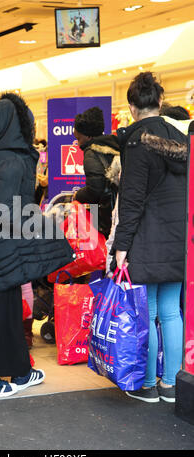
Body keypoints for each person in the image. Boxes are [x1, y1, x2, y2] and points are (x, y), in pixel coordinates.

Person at [0, 92, 75, 399]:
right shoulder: (12, 162)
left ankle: (21, 370)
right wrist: (50, 231)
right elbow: (7, 213)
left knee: (8, 314)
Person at [112, 72, 188, 403]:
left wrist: (121, 245)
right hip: (179, 240)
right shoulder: (181, 139)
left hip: (146, 240)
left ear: (131, 108)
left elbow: (132, 199)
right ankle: (172, 385)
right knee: (173, 312)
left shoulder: (137, 141)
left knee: (150, 311)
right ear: (159, 102)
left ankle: (147, 385)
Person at [73, 106, 120, 239]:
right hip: (122, 210)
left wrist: (78, 195)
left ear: (88, 136)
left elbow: (95, 190)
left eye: (79, 138)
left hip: (107, 216)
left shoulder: (91, 152)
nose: (77, 143)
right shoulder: (115, 145)